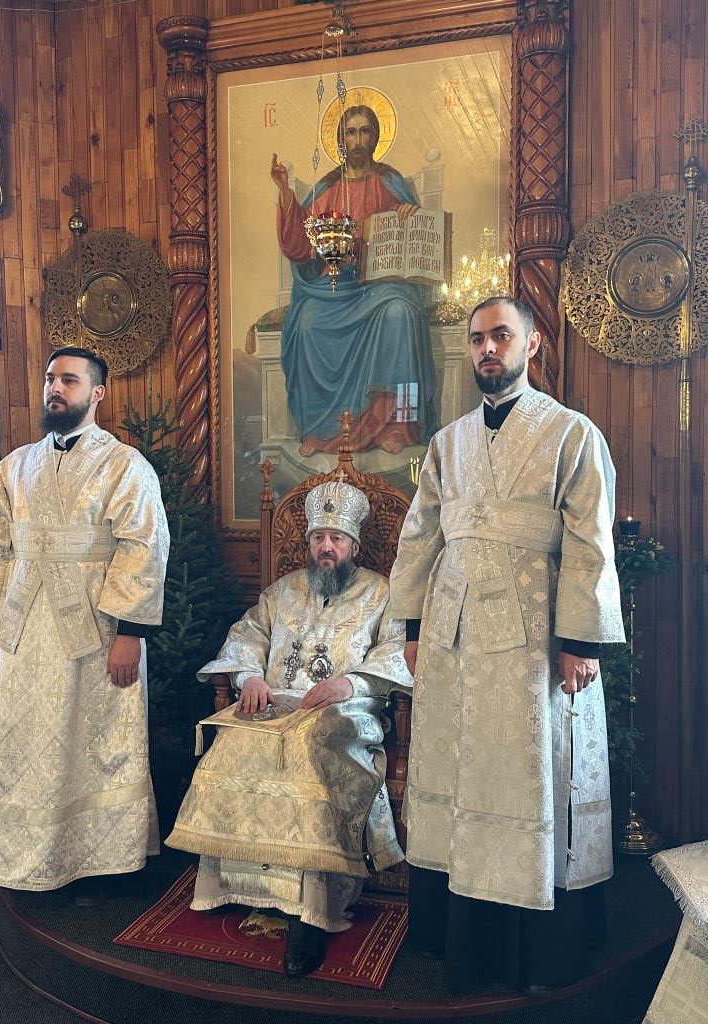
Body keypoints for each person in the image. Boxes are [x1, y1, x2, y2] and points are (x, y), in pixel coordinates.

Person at [388, 296, 626, 993]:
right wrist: (413, 627)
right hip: (453, 635)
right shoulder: (448, 441)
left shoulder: (571, 432)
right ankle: (459, 934)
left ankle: (537, 950)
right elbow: (419, 537)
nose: (488, 349)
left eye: (501, 336)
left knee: (530, 771)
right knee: (460, 769)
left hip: (536, 640)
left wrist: (579, 641)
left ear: (532, 345)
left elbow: (590, 543)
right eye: (477, 339)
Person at [166, 480, 412, 975]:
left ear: (354, 546)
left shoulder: (381, 593)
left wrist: (348, 683)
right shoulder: (281, 592)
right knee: (233, 740)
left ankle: (310, 912)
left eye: (336, 539)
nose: (326, 547)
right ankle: (235, 886)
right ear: (308, 544)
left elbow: (397, 653)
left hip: (344, 713)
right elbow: (246, 636)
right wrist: (249, 677)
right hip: (273, 706)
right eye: (319, 538)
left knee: (308, 747)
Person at [0, 346, 170, 901]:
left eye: (69, 380)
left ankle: (101, 865)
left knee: (98, 741)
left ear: (97, 393)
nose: (55, 388)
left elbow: (143, 547)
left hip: (98, 631)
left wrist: (130, 633)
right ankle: (29, 861)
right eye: (51, 378)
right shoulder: (14, 466)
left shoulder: (124, 465)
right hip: (25, 628)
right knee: (26, 742)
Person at [272, 104, 437, 456]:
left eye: (364, 131)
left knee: (400, 314)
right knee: (307, 323)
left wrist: (410, 215)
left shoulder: (391, 182)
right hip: (336, 286)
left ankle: (396, 424)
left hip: (381, 285)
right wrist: (285, 192)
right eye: (351, 132)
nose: (358, 140)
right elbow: (299, 244)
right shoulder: (327, 188)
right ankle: (319, 430)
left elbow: (421, 241)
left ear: (375, 136)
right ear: (341, 140)